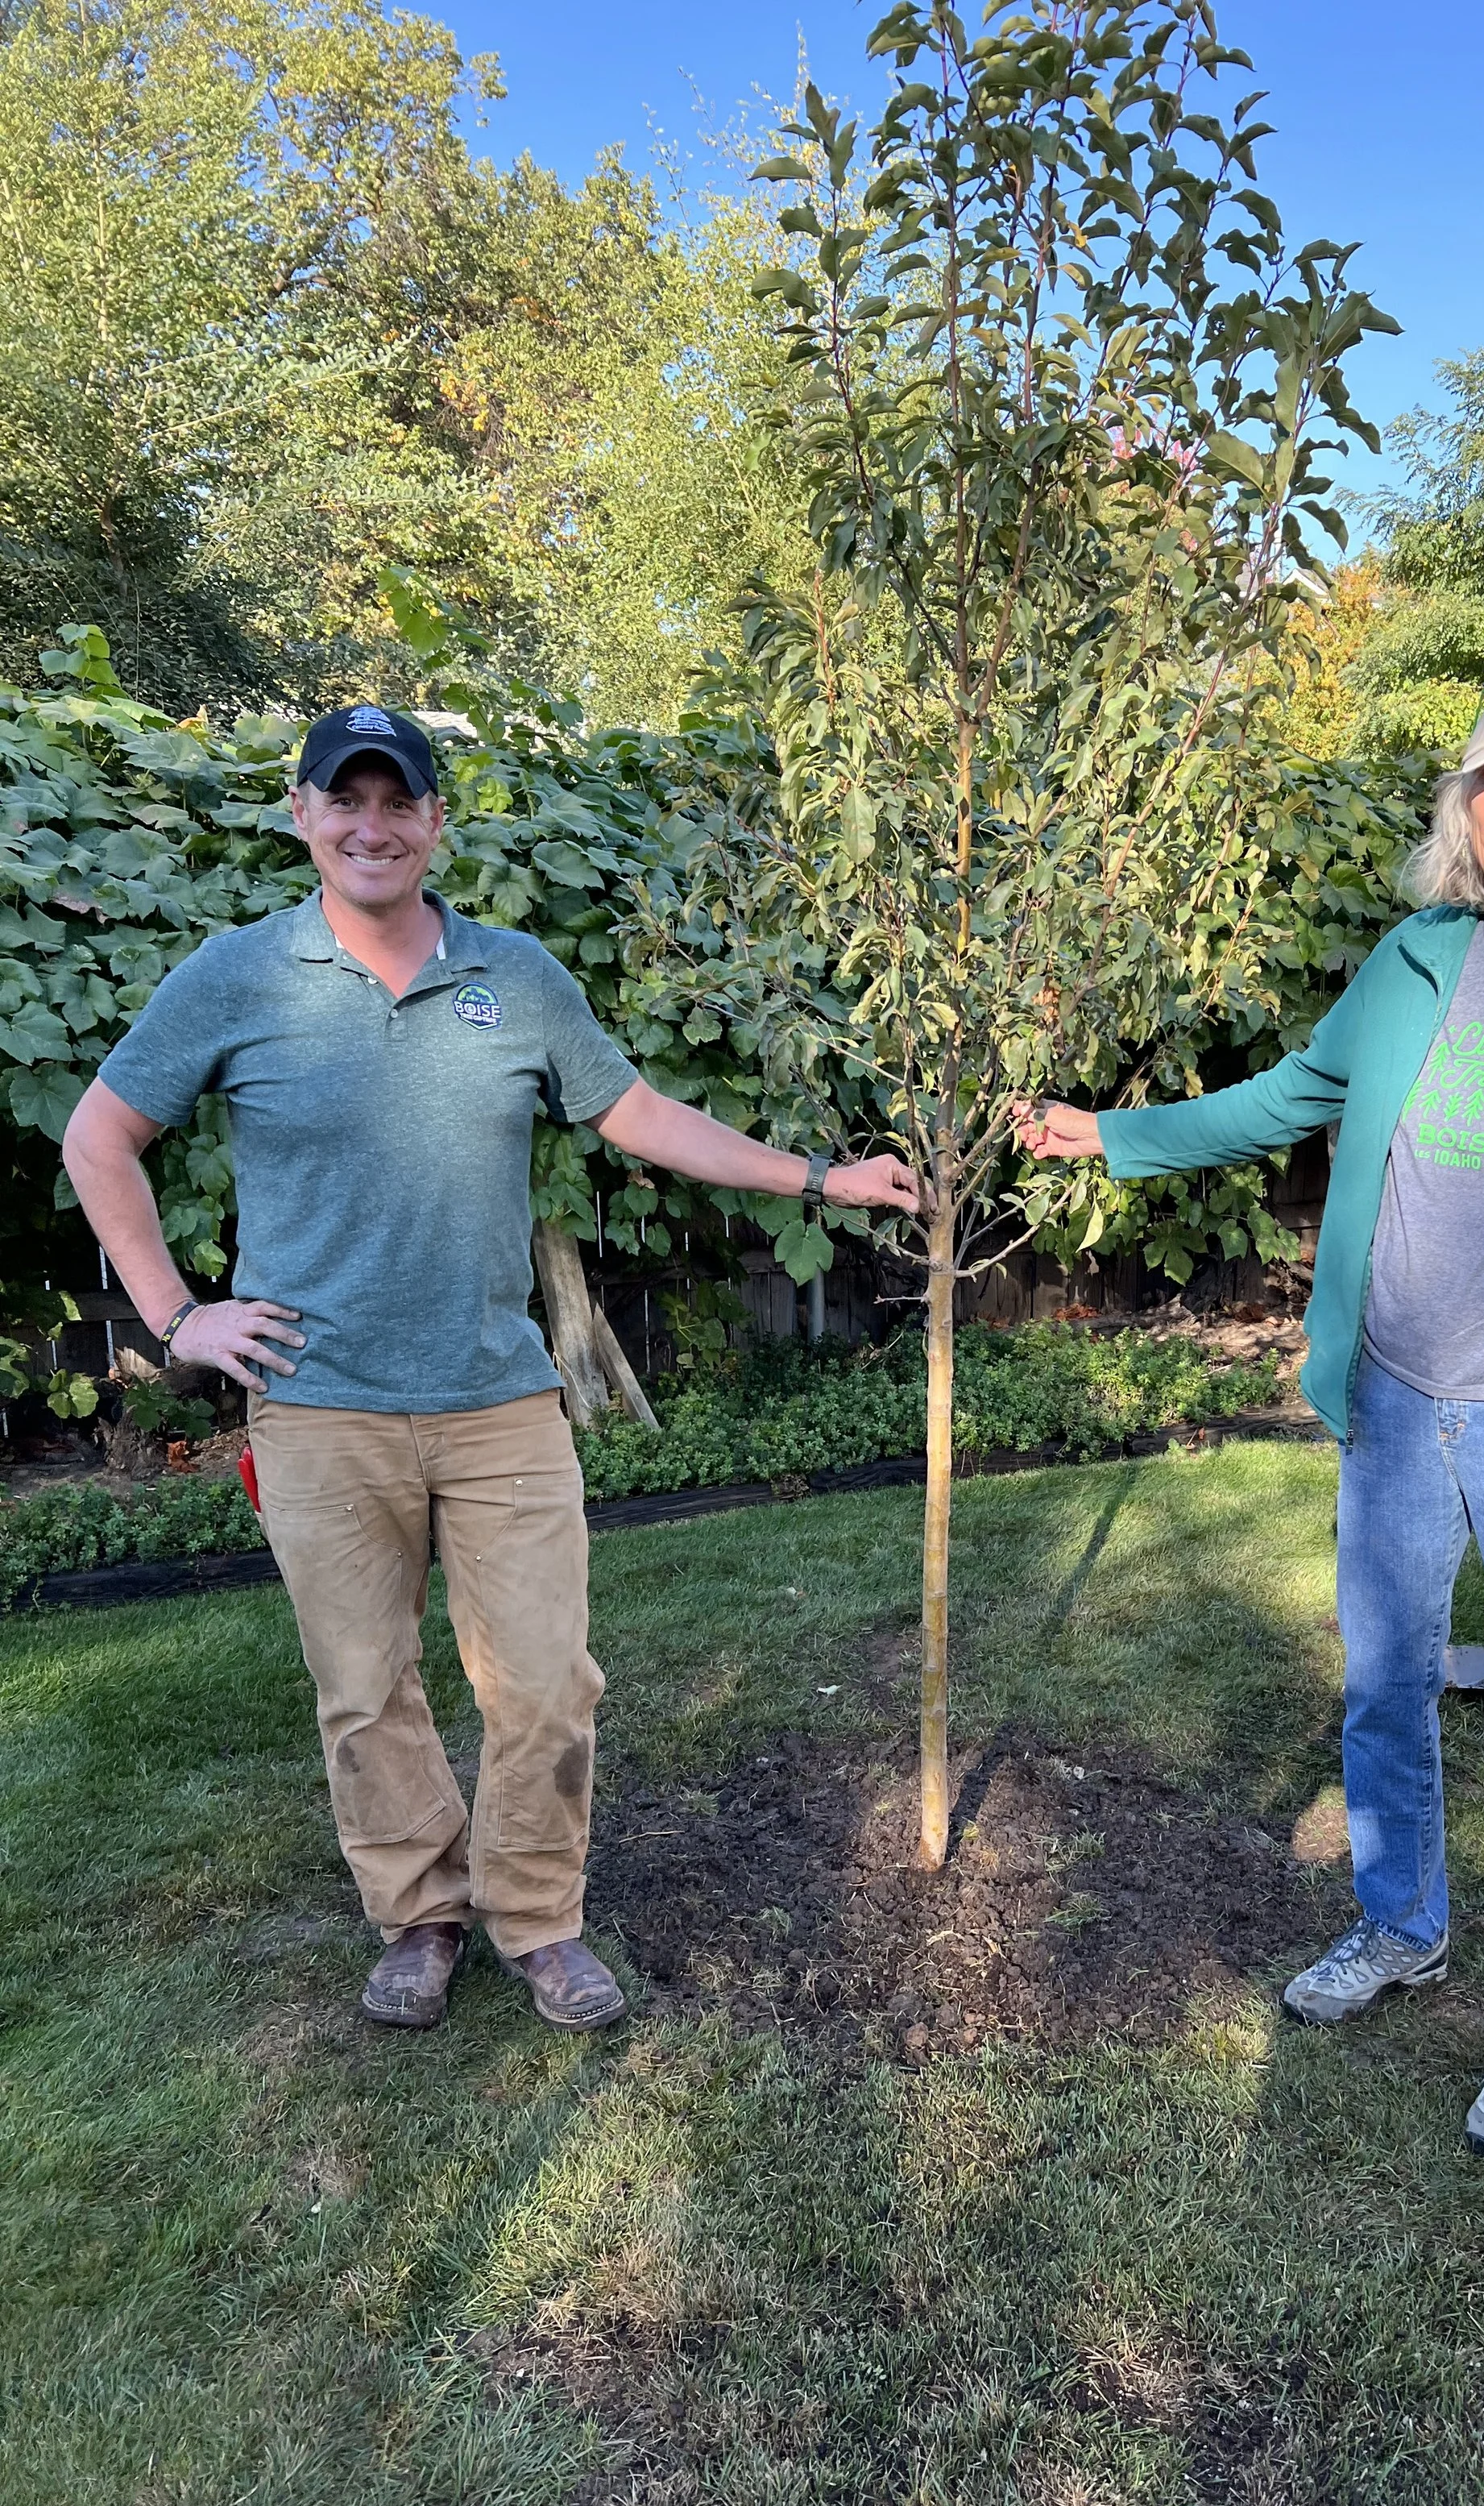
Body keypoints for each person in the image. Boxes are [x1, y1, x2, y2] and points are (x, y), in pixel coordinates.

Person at [65, 703, 919, 2035]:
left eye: (396, 802)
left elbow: (637, 1114)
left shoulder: (514, 975)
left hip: (498, 1399)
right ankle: (420, 1914)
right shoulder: (237, 977)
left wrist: (823, 1176)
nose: (371, 826)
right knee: (364, 1688)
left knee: (547, 1682)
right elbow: (98, 1138)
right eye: (343, 802)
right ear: (302, 818)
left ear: (432, 823)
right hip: (319, 1405)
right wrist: (179, 1318)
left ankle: (538, 1919)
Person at [1018, 682, 1484, 2157]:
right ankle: (1402, 1924)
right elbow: (1294, 1094)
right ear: (1463, 807)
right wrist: (1118, 1136)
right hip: (1399, 1407)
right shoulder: (1415, 958)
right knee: (1384, 1689)